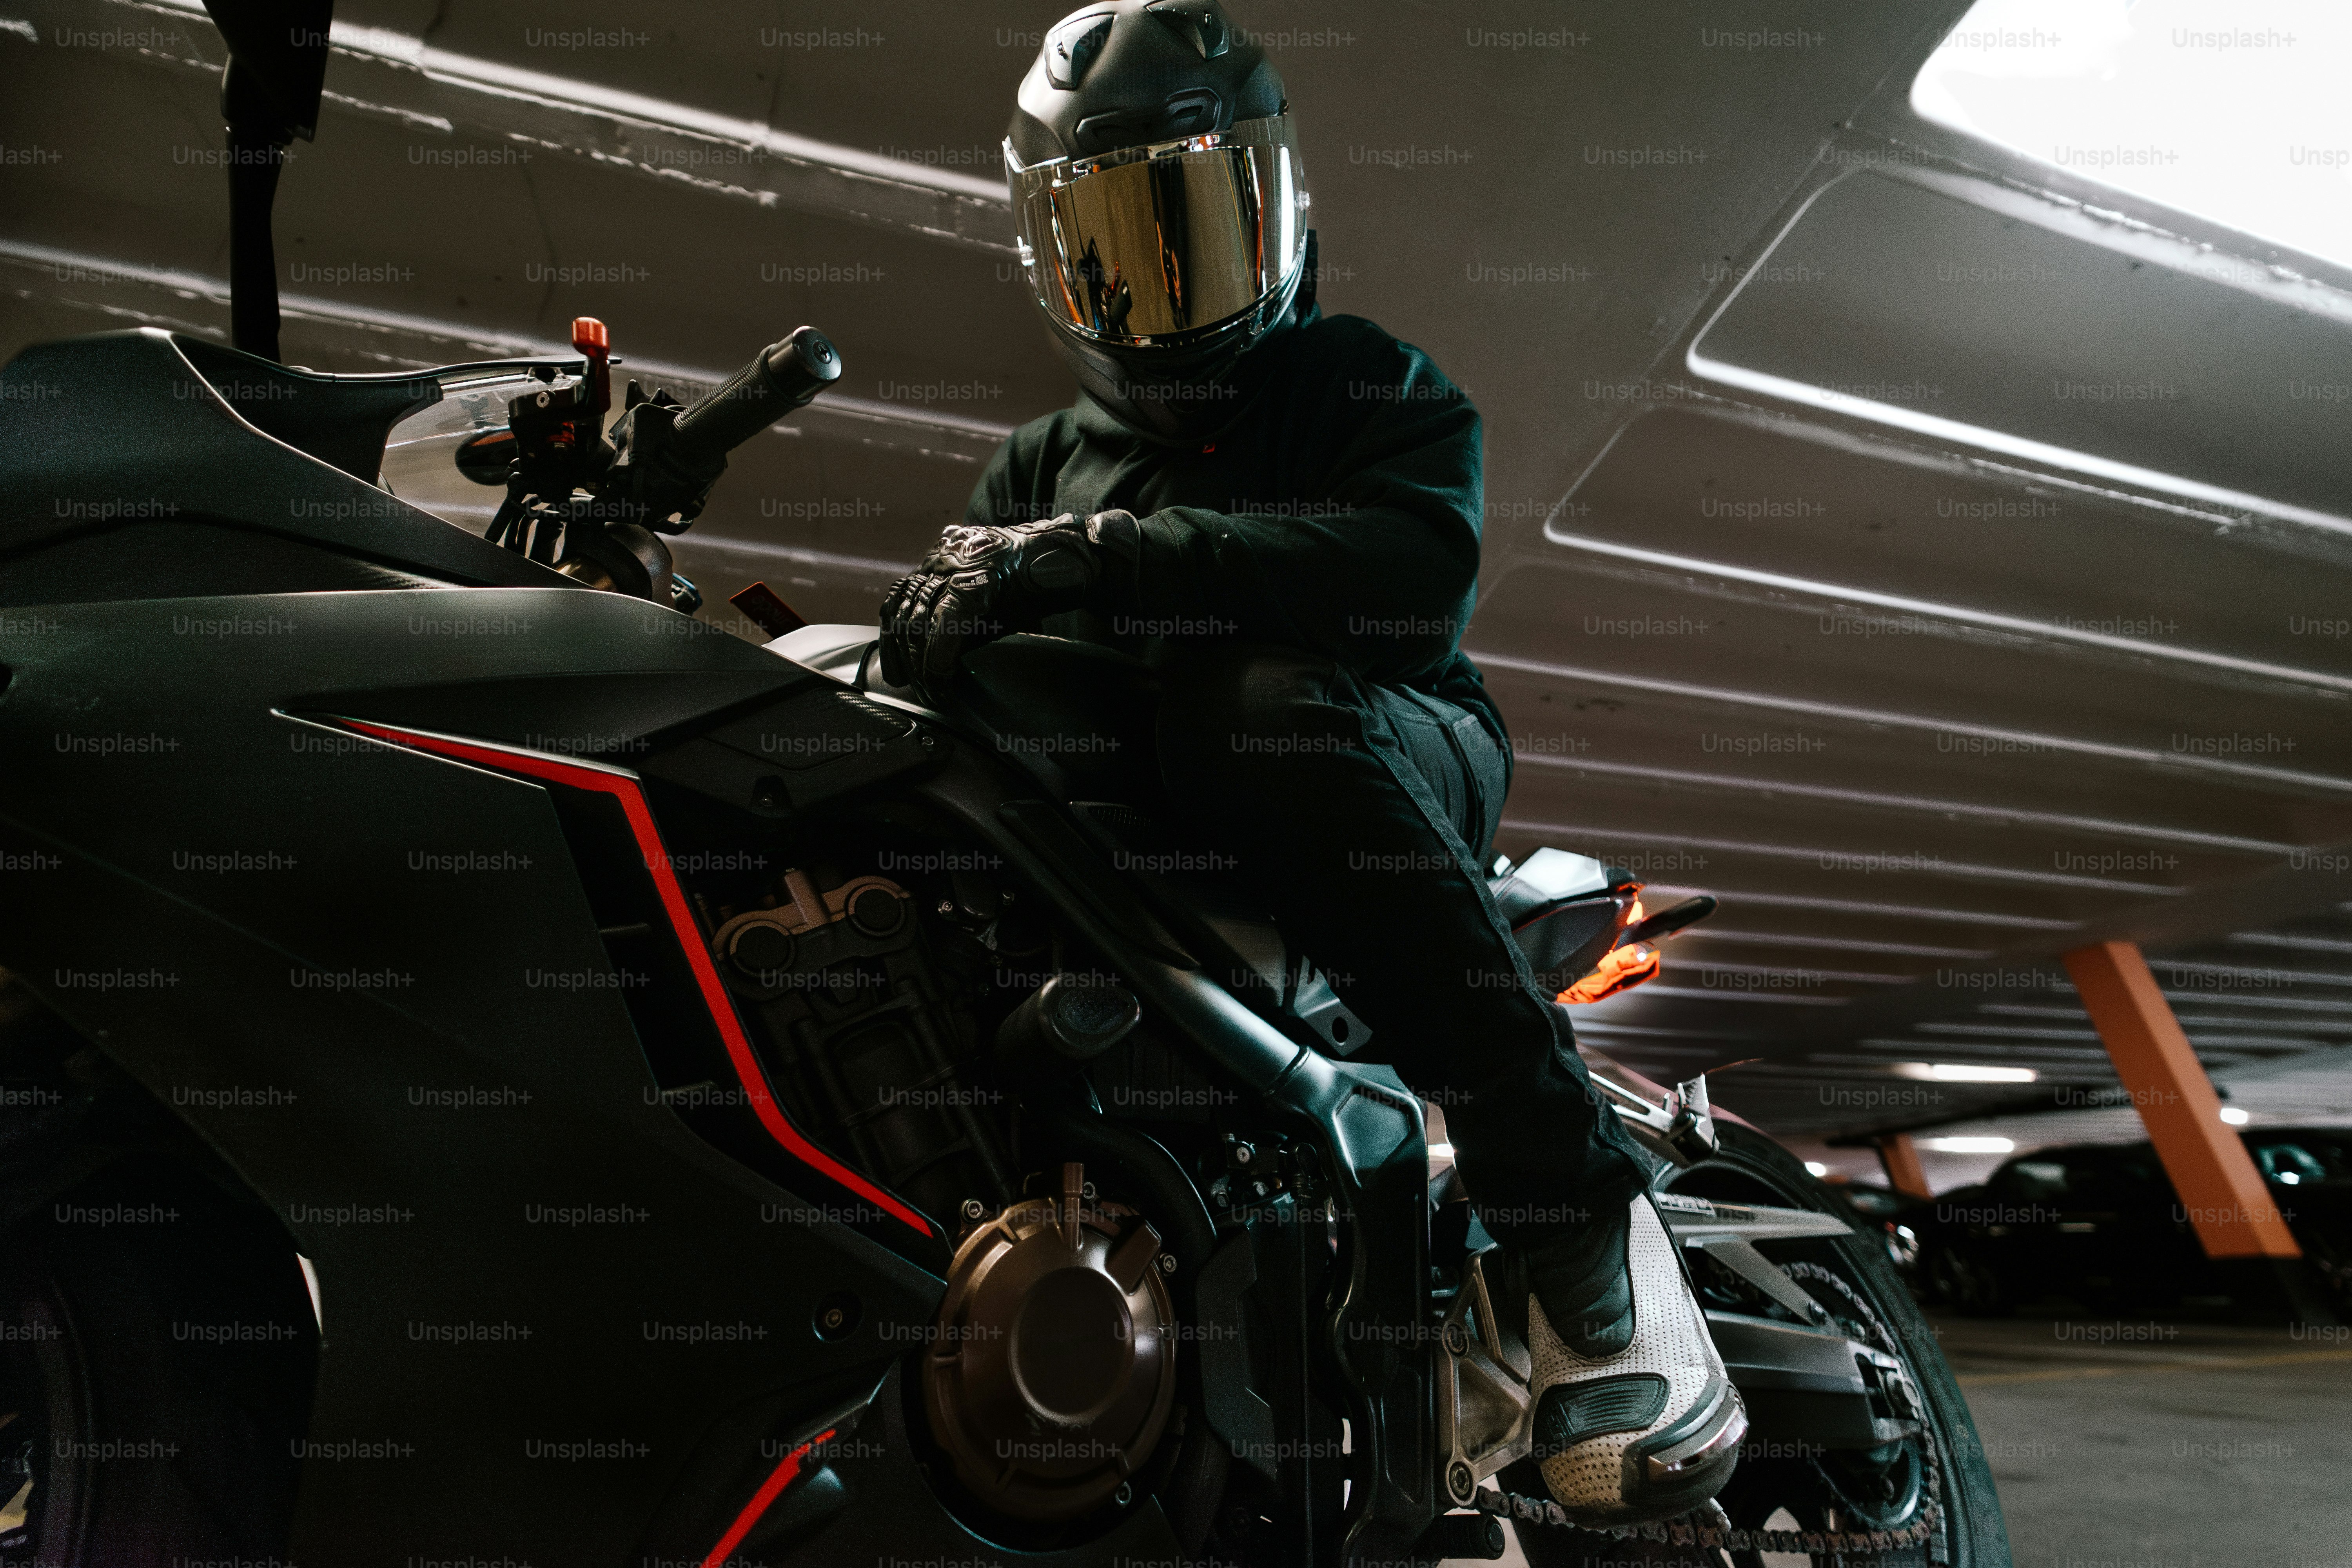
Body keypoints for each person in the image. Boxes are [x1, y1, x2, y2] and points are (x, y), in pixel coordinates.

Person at [878, 0, 1739, 1526]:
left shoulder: (1357, 379)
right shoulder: (1031, 465)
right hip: (1175, 852)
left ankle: (1584, 1231)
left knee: (1250, 696)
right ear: (1048, 254)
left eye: (1203, 219)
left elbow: (1409, 580)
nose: (1170, 278)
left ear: (1277, 201)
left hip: (1389, 751)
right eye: (1119, 240)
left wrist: (1107, 555)